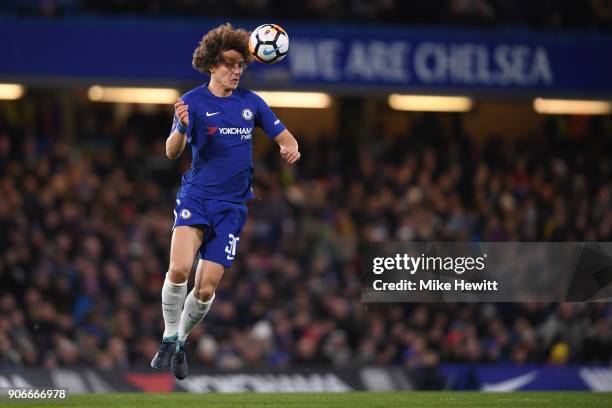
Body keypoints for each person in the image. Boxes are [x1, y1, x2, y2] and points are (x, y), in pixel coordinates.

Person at [150, 23, 300, 380]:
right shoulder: (191, 102)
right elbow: (172, 152)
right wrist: (183, 128)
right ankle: (169, 336)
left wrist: (289, 146)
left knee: (204, 289)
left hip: (232, 208)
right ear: (212, 65)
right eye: (230, 64)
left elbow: (285, 135)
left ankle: (180, 340)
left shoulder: (252, 103)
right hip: (197, 198)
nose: (236, 71)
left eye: (241, 66)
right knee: (179, 270)